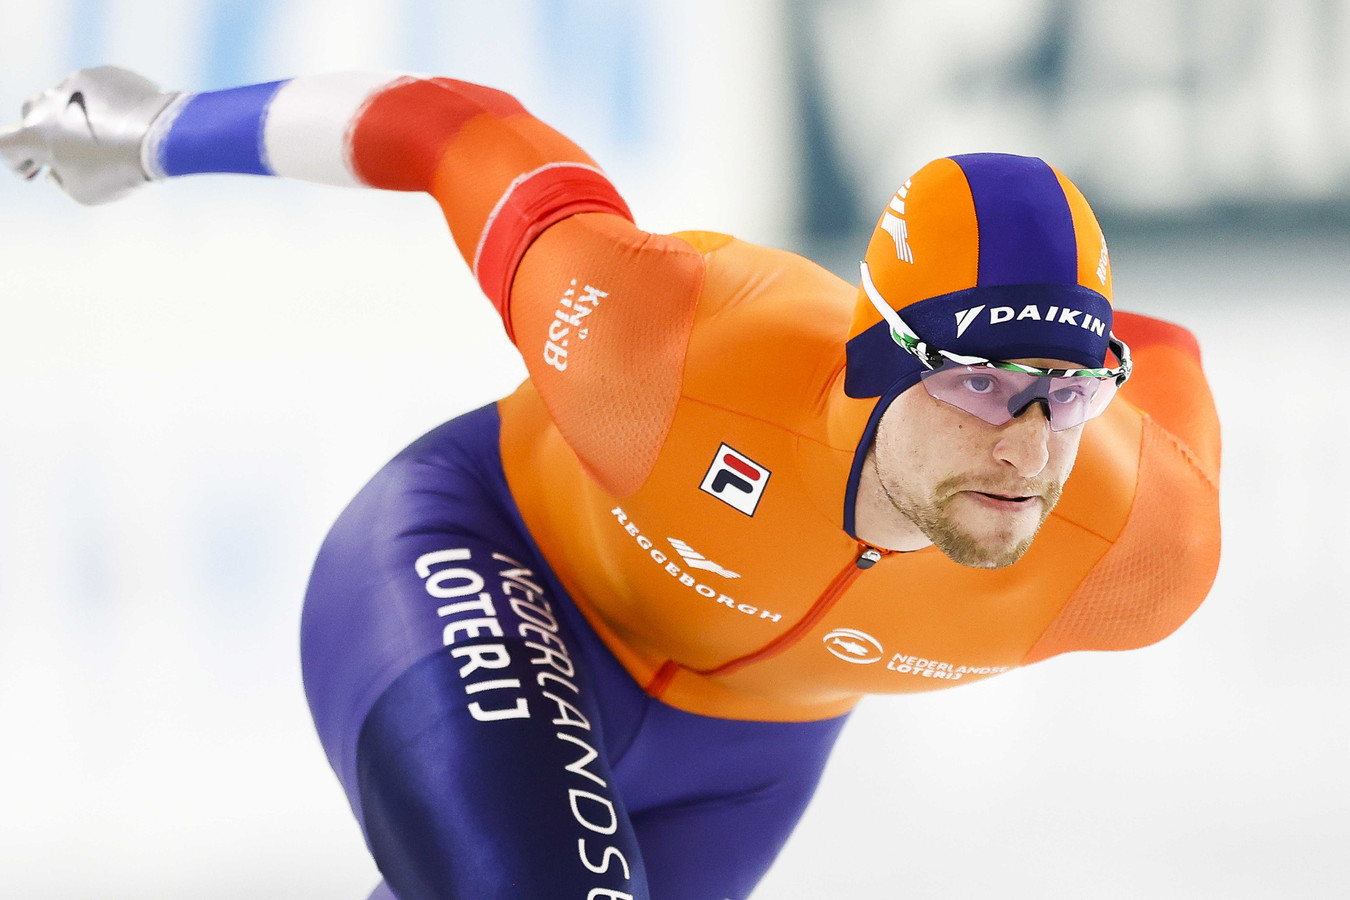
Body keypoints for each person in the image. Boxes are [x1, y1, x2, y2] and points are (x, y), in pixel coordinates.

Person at [2, 67, 1221, 900]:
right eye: (977, 383)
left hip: (741, 763)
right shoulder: (665, 350)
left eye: (1070, 392)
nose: (1026, 449)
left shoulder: (1137, 549)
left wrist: (1067, 358)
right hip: (489, 561)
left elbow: (1166, 353)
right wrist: (155, 131)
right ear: (874, 360)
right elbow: (449, 129)